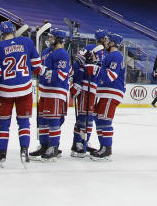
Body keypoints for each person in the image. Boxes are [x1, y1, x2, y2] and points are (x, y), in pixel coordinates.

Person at [0, 20, 43, 166]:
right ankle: (24, 150)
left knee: (4, 124)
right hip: (24, 89)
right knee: (24, 122)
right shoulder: (26, 42)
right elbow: (37, 66)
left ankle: (2, 154)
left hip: (5, 91)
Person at [30, 28, 71, 160]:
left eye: (52, 37)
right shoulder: (46, 52)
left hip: (56, 91)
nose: (49, 39)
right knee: (42, 120)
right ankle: (44, 145)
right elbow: (40, 68)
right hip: (44, 91)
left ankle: (53, 147)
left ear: (59, 39)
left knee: (53, 120)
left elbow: (61, 74)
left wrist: (44, 71)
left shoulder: (63, 54)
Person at [71, 29, 107, 157]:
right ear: (102, 38)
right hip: (86, 86)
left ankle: (84, 140)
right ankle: (77, 143)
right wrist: (77, 83)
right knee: (83, 116)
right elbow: (77, 65)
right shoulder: (90, 48)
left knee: (89, 117)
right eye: (106, 38)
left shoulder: (104, 53)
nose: (107, 41)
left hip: (93, 87)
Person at [91, 32, 126, 160]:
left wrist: (95, 69)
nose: (105, 42)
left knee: (105, 120)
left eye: (107, 40)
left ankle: (107, 149)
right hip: (104, 92)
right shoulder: (109, 55)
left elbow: (111, 75)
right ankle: (103, 147)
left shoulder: (116, 55)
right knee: (98, 118)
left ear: (112, 43)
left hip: (112, 92)